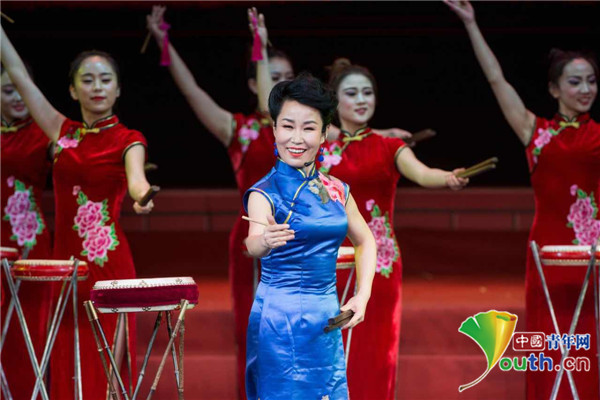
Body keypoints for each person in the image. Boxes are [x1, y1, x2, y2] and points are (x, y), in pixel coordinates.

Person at [446, 1, 600, 398]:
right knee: (549, 341)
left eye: (591, 81)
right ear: (554, 89)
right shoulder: (536, 132)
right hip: (545, 252)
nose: (585, 89)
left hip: (595, 254)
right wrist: (472, 25)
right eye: (575, 82)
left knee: (592, 342)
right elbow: (496, 80)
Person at [1, 25, 154, 399]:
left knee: (103, 372)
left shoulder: (130, 139)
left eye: (106, 80)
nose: (97, 87)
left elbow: (137, 181)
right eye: (87, 80)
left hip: (107, 267)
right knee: (67, 368)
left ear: (118, 89)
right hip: (65, 269)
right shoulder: (61, 131)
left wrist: (142, 197)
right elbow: (18, 75)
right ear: (73, 90)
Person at [320, 58, 469, 400]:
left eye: (367, 92)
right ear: (334, 101)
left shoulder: (390, 148)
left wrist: (448, 178)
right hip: (327, 262)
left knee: (375, 353)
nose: (362, 99)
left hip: (379, 265)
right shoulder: (319, 150)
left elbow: (423, 173)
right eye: (352, 93)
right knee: (328, 354)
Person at [244, 73, 377, 400]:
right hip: (280, 318)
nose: (296, 138)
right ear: (274, 130)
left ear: (324, 133)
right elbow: (253, 242)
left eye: (308, 128)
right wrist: (265, 240)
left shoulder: (337, 189)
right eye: (287, 126)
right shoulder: (264, 192)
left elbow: (365, 241)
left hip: (326, 314)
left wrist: (362, 296)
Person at [1, 64, 53, 400]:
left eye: (22, 90)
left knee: (28, 329)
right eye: (8, 91)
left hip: (29, 242)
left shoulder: (44, 134)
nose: (18, 98)